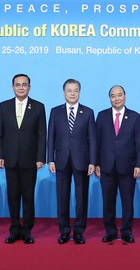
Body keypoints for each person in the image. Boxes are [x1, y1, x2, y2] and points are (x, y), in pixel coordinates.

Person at [0, 74, 46, 244]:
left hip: (30, 160)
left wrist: (40, 157)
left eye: (24, 85)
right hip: (10, 159)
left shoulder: (38, 107)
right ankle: (14, 230)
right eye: (18, 85)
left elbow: (42, 134)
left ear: (29, 87)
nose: (21, 87)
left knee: (28, 197)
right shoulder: (4, 106)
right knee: (13, 196)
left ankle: (27, 231)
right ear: (13, 87)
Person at [47, 79, 97, 245]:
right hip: (61, 160)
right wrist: (50, 159)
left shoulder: (88, 112)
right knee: (62, 197)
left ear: (79, 92)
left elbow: (93, 139)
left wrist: (92, 161)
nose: (72, 93)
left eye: (75, 90)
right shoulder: (55, 112)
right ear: (64, 92)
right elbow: (51, 137)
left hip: (82, 161)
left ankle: (79, 231)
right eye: (69, 90)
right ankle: (64, 231)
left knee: (81, 198)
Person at [95, 85, 140, 243]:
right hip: (106, 166)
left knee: (127, 202)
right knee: (108, 202)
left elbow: (139, 143)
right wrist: (96, 163)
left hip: (128, 167)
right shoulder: (102, 116)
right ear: (109, 98)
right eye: (113, 95)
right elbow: (96, 141)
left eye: (119, 95)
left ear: (125, 96)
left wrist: (139, 165)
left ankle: (126, 231)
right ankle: (110, 231)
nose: (116, 98)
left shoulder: (135, 117)